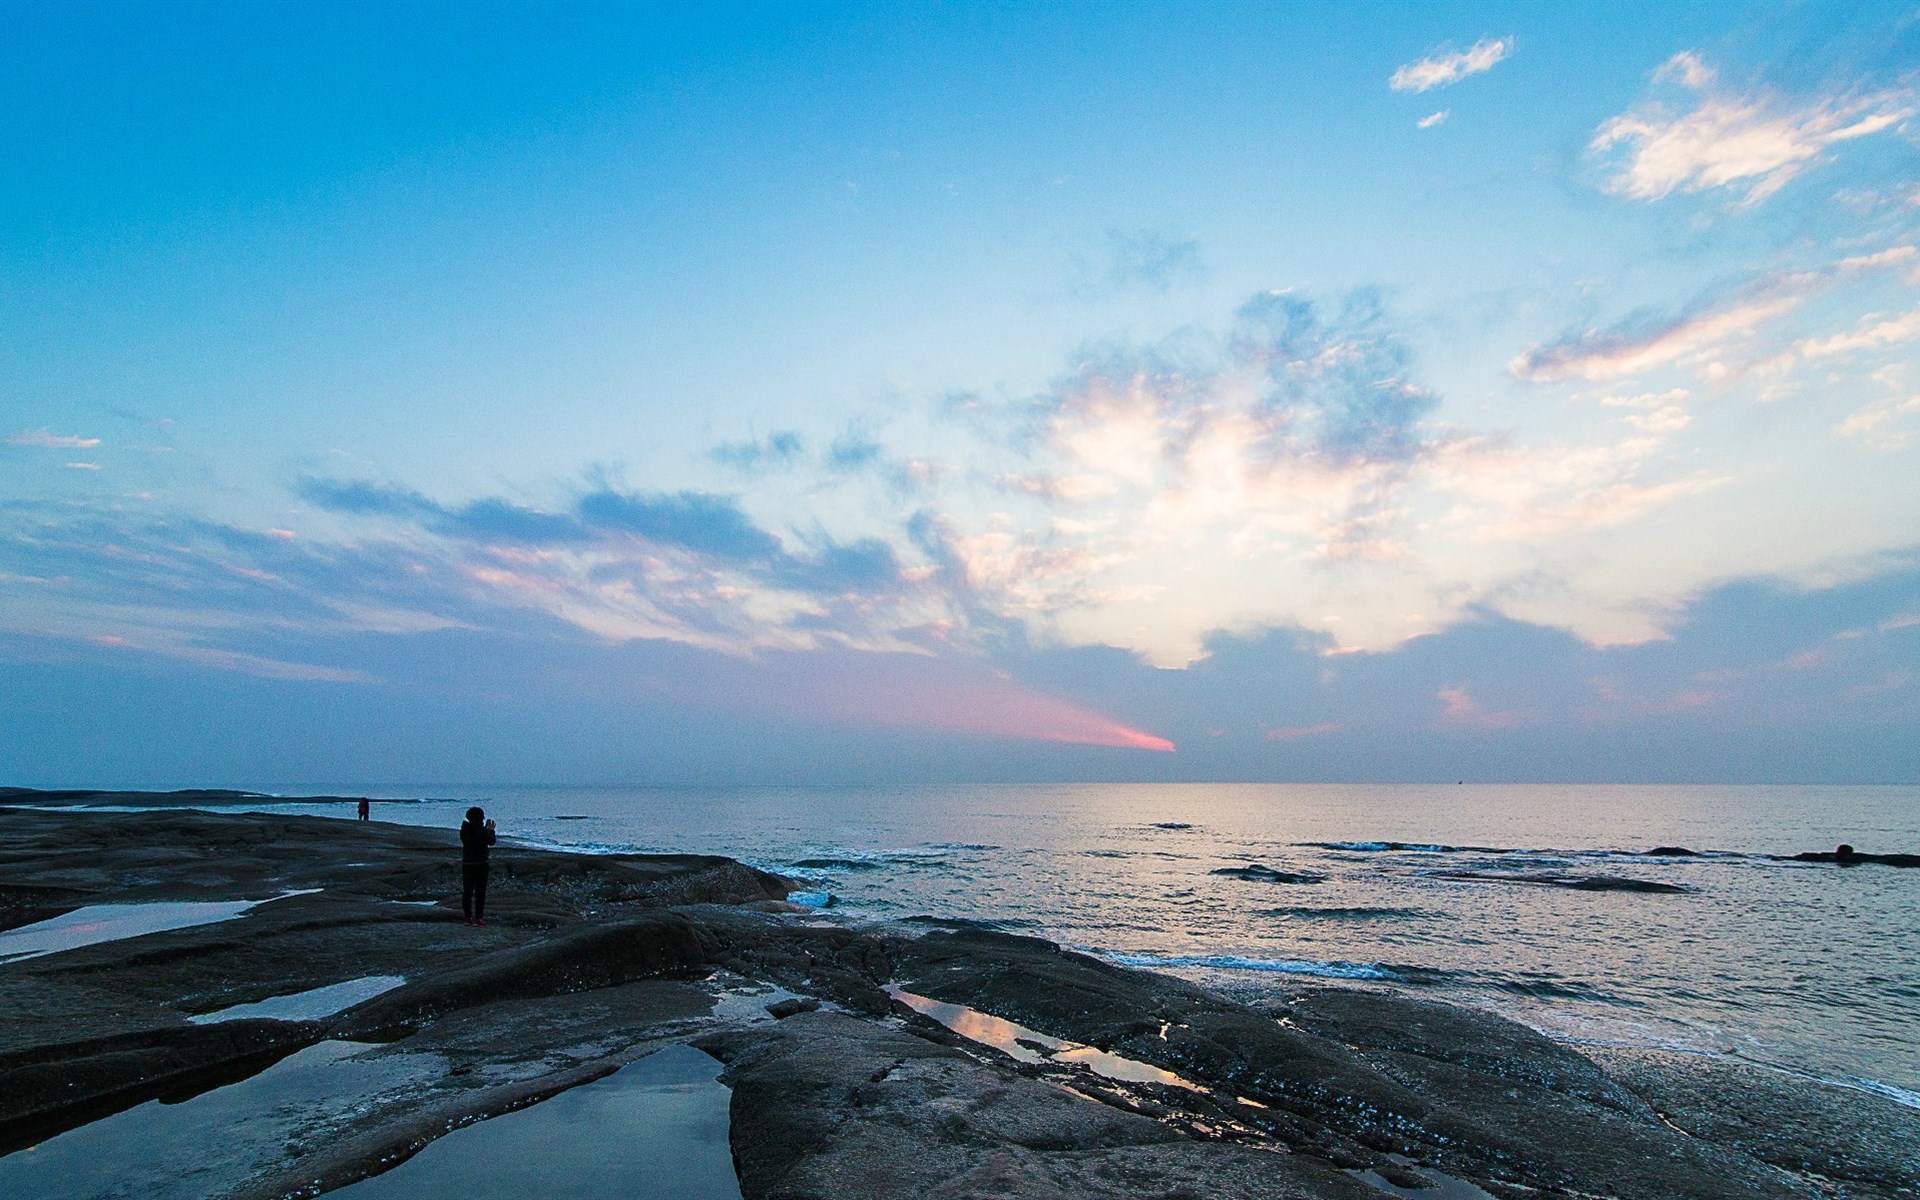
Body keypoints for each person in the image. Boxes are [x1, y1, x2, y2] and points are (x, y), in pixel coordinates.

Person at [460, 806, 497, 926]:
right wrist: (490, 830)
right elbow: (491, 841)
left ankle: (467, 917)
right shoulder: (482, 830)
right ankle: (478, 918)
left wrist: (486, 829)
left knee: (467, 891)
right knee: (480, 892)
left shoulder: (465, 829)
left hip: (467, 863)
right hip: (481, 863)